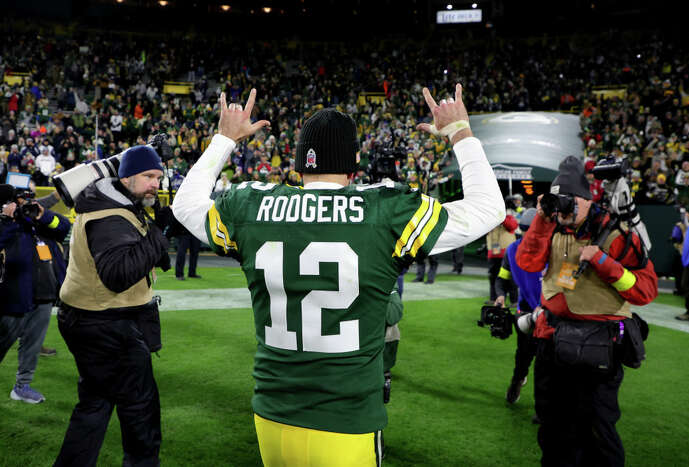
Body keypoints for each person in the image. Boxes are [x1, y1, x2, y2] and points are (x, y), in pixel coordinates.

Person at [172, 85, 505, 466]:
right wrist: (459, 132)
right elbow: (488, 208)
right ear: (355, 162)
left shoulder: (251, 204)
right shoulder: (385, 209)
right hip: (345, 422)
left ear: (299, 162)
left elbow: (185, 205)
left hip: (272, 417)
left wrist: (224, 139)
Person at [516, 156, 658, 467]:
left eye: (569, 202)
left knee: (597, 433)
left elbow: (646, 291)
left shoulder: (616, 232)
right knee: (553, 429)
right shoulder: (552, 226)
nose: (563, 210)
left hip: (598, 347)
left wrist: (605, 264)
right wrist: (542, 218)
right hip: (552, 342)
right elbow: (527, 263)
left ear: (585, 199)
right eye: (558, 202)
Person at [54, 145, 171, 467]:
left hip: (89, 319)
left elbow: (155, 260)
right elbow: (118, 275)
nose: (155, 184)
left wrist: (157, 233)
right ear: (126, 176)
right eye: (148, 176)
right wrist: (161, 233)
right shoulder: (111, 217)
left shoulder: (108, 203)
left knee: (94, 406)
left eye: (159, 177)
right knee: (140, 412)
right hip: (108, 324)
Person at [0, 185, 69, 403]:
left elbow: (63, 227)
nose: (24, 207)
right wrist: (11, 220)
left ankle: (22, 386)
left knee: (32, 344)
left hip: (44, 294)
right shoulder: (6, 225)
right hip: (14, 296)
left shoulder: (39, 222)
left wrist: (43, 214)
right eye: (19, 202)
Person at [494, 208, 541, 414]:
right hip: (528, 312)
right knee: (525, 355)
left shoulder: (514, 249)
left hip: (546, 313)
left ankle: (542, 405)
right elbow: (501, 279)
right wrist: (501, 295)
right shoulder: (513, 251)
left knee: (541, 359)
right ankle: (517, 380)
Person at [486, 214, 518, 303]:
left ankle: (514, 300)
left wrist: (501, 217)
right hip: (493, 252)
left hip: (507, 253)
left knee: (510, 278)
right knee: (493, 277)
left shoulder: (509, 216)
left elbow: (512, 226)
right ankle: (494, 298)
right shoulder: (489, 218)